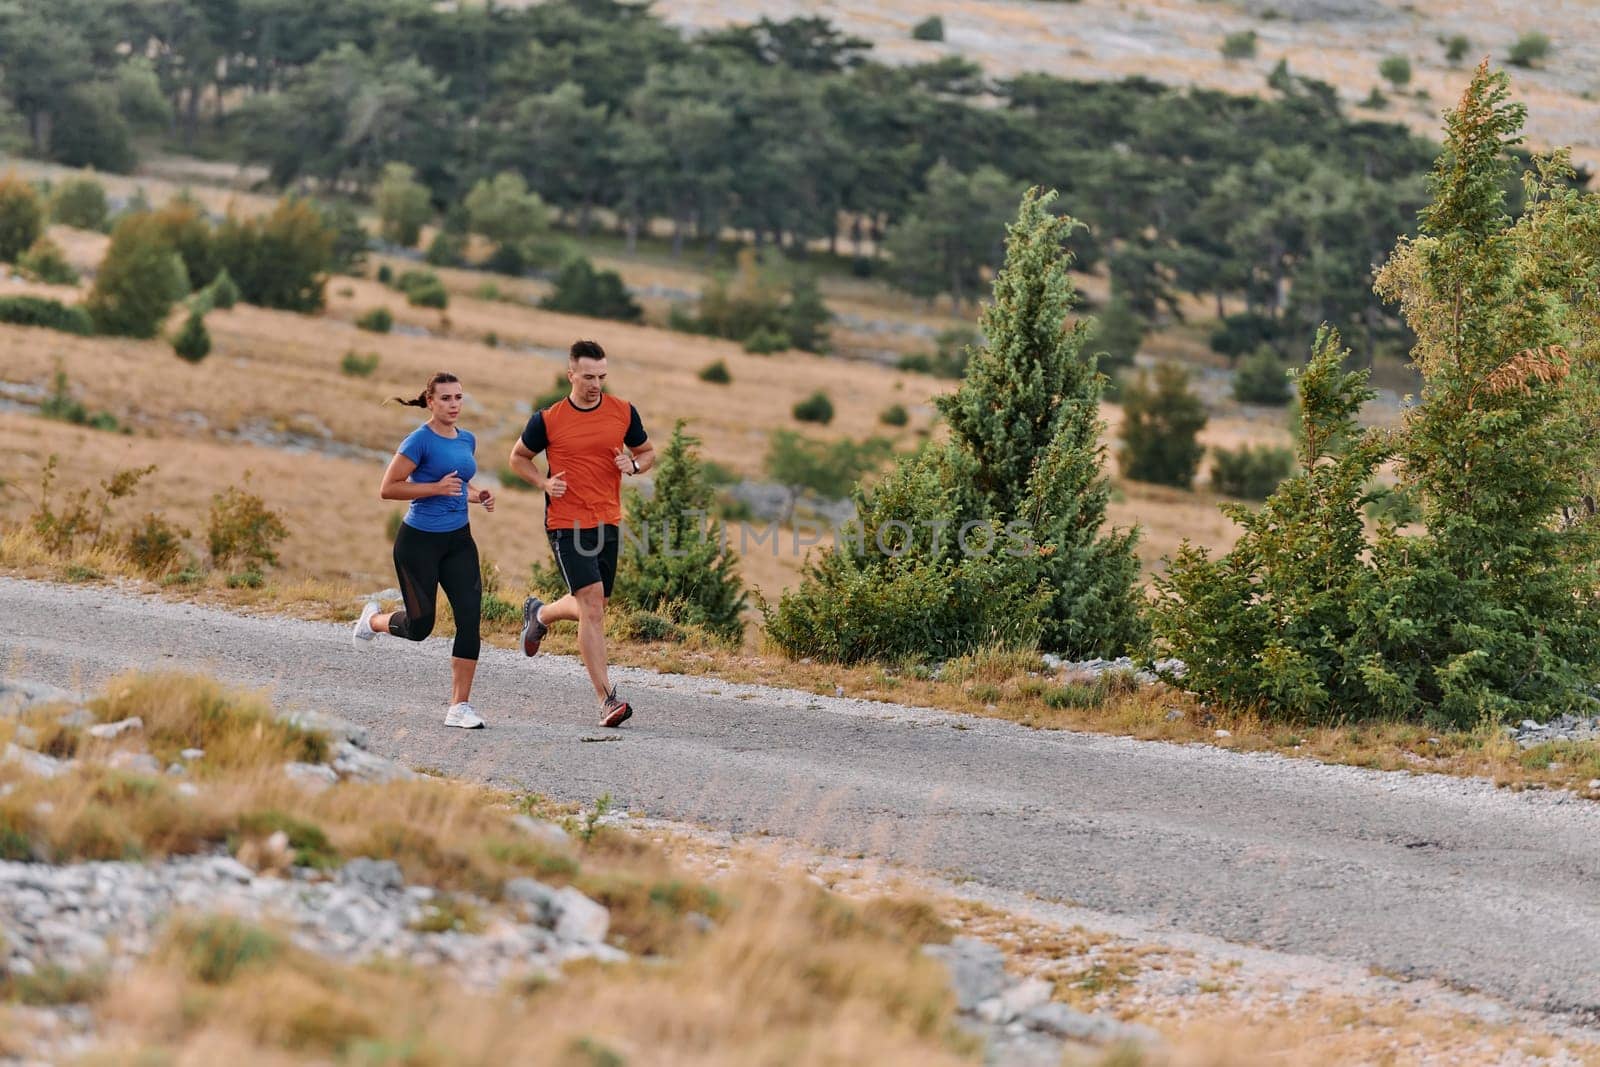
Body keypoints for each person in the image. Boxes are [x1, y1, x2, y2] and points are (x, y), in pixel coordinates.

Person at [508, 339, 654, 727]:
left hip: (607, 520)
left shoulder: (623, 412)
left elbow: (648, 452)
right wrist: (543, 482)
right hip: (565, 522)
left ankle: (540, 613)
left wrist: (634, 466)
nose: (596, 384)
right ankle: (607, 699)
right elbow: (517, 458)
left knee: (594, 605)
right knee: (591, 605)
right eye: (588, 377)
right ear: (570, 374)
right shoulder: (548, 419)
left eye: (602, 376)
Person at [352, 371, 495, 730]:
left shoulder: (467, 439)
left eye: (458, 398)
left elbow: (458, 483)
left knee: (469, 618)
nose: (453, 405)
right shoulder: (418, 441)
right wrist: (434, 489)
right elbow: (388, 488)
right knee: (419, 627)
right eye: (446, 398)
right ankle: (372, 621)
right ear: (430, 401)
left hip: (459, 541)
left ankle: (459, 707)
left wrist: (478, 495)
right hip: (419, 544)